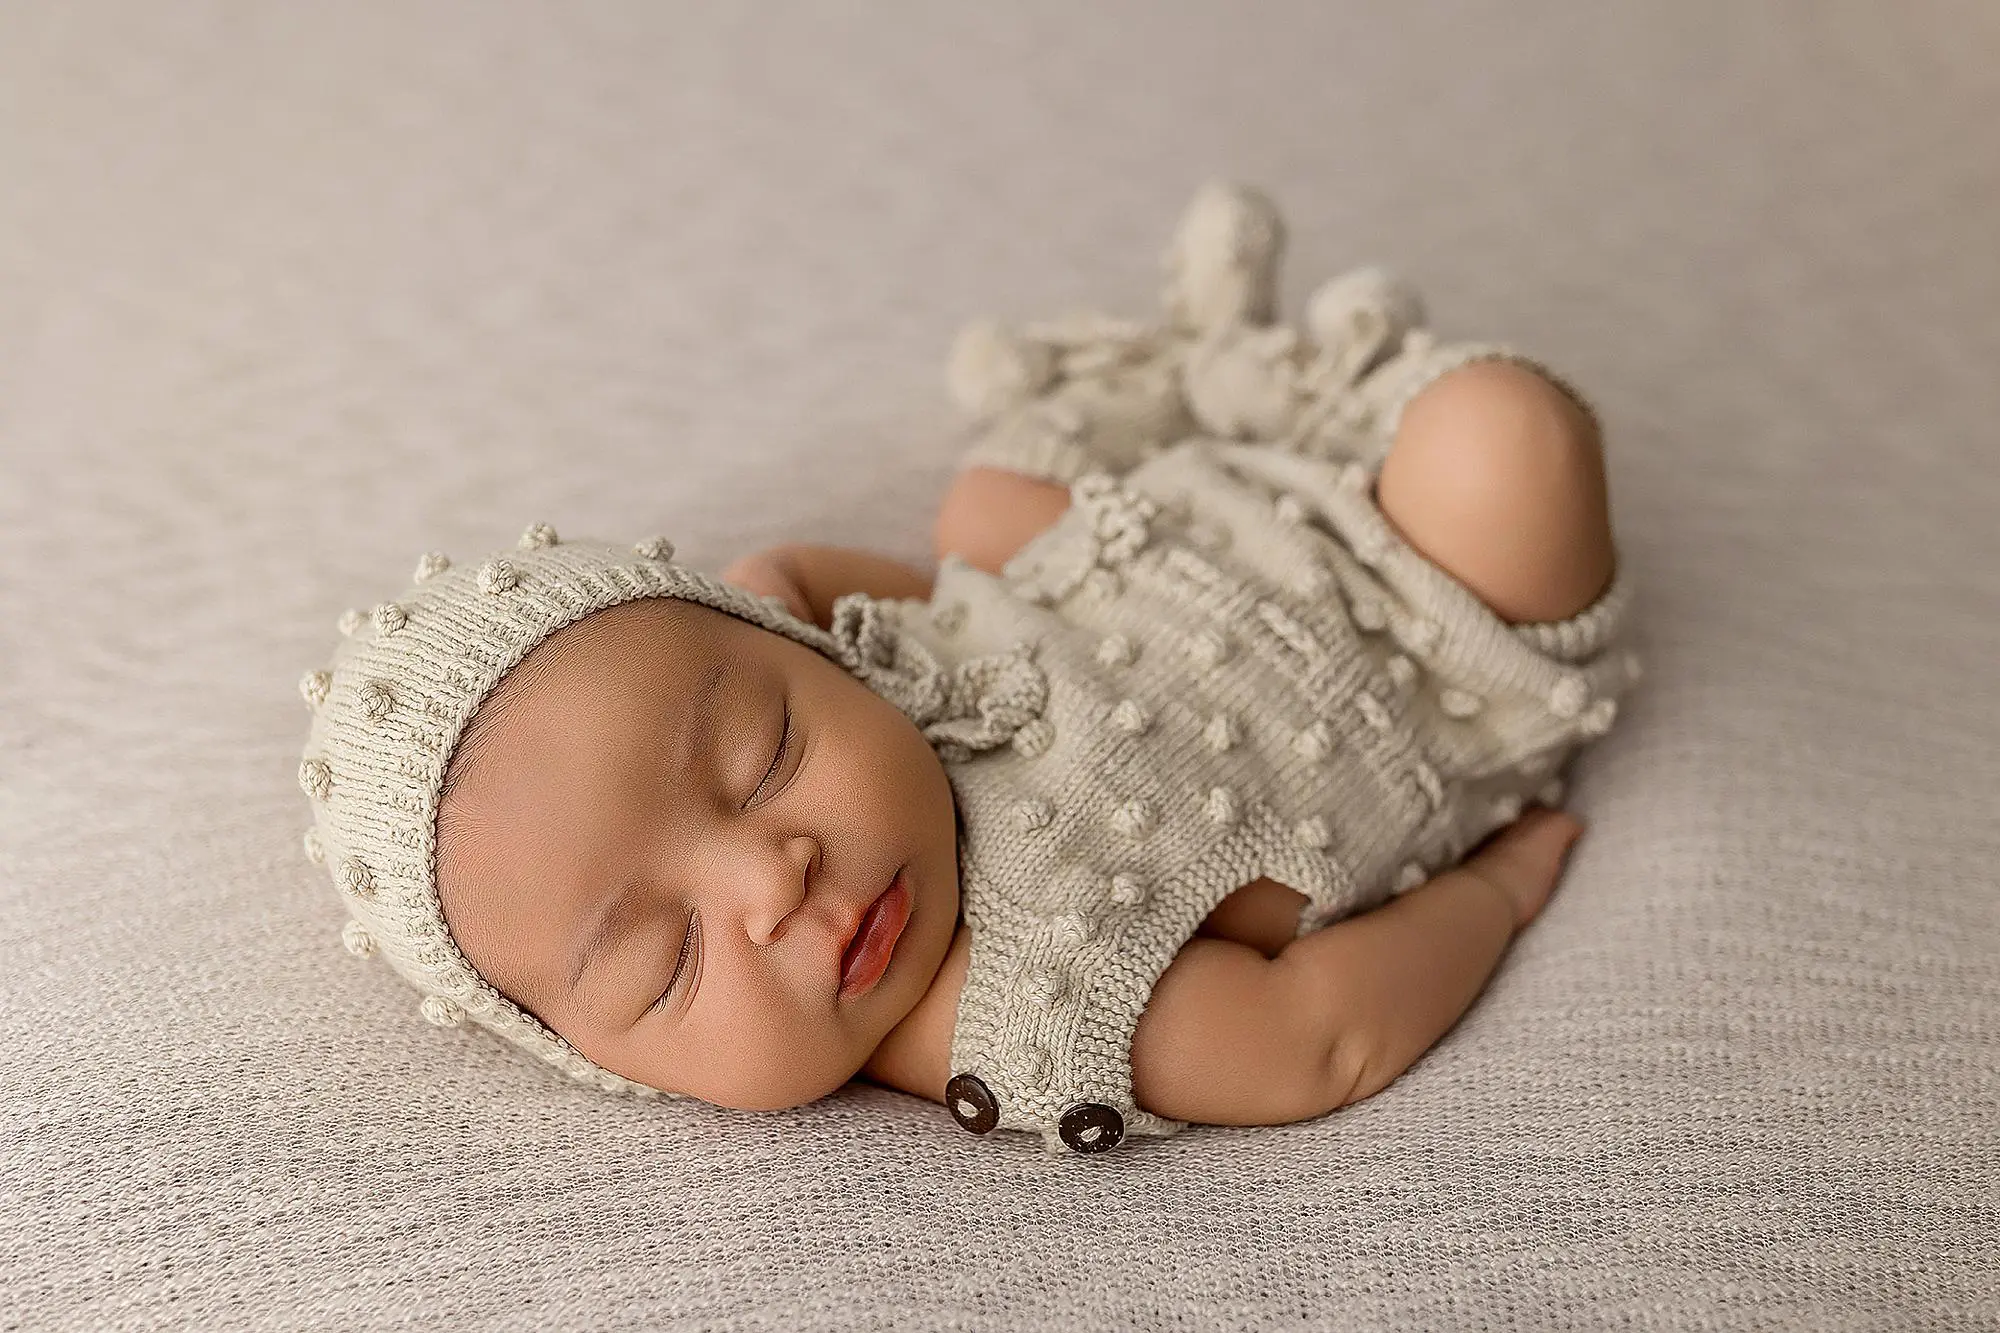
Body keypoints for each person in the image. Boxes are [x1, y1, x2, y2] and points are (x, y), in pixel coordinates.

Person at [295, 183, 1637, 1155]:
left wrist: (798, 620)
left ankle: (1211, 382)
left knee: (982, 509)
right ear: (609, 1069)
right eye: (668, 962)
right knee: (1502, 433)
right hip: (1422, 636)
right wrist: (1498, 892)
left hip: (1154, 545)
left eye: (764, 753)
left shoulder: (862, 671)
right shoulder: (1047, 1009)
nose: (772, 880)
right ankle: (1304, 398)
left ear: (808, 660)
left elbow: (793, 577)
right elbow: (1318, 1040)